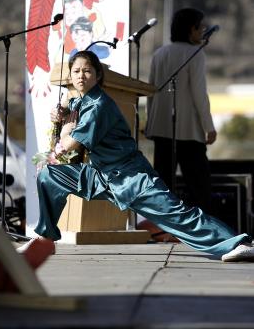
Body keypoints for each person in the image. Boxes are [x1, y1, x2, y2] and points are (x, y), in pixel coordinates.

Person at [19, 50, 254, 262]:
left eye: (87, 71)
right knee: (50, 175)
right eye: (76, 71)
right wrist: (59, 115)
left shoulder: (98, 106)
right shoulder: (80, 101)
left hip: (132, 177)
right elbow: (68, 117)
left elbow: (70, 145)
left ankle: (237, 243)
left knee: (176, 214)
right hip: (101, 176)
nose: (81, 76)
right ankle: (45, 239)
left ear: (98, 75)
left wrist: (66, 129)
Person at [145, 8, 217, 213]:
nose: (202, 31)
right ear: (190, 29)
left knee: (164, 186)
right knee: (199, 185)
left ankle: (164, 228)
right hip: (189, 131)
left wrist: (150, 124)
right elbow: (199, 95)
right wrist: (209, 127)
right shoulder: (195, 54)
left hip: (160, 129)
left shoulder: (159, 53)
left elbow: (151, 91)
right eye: (199, 27)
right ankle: (203, 229)